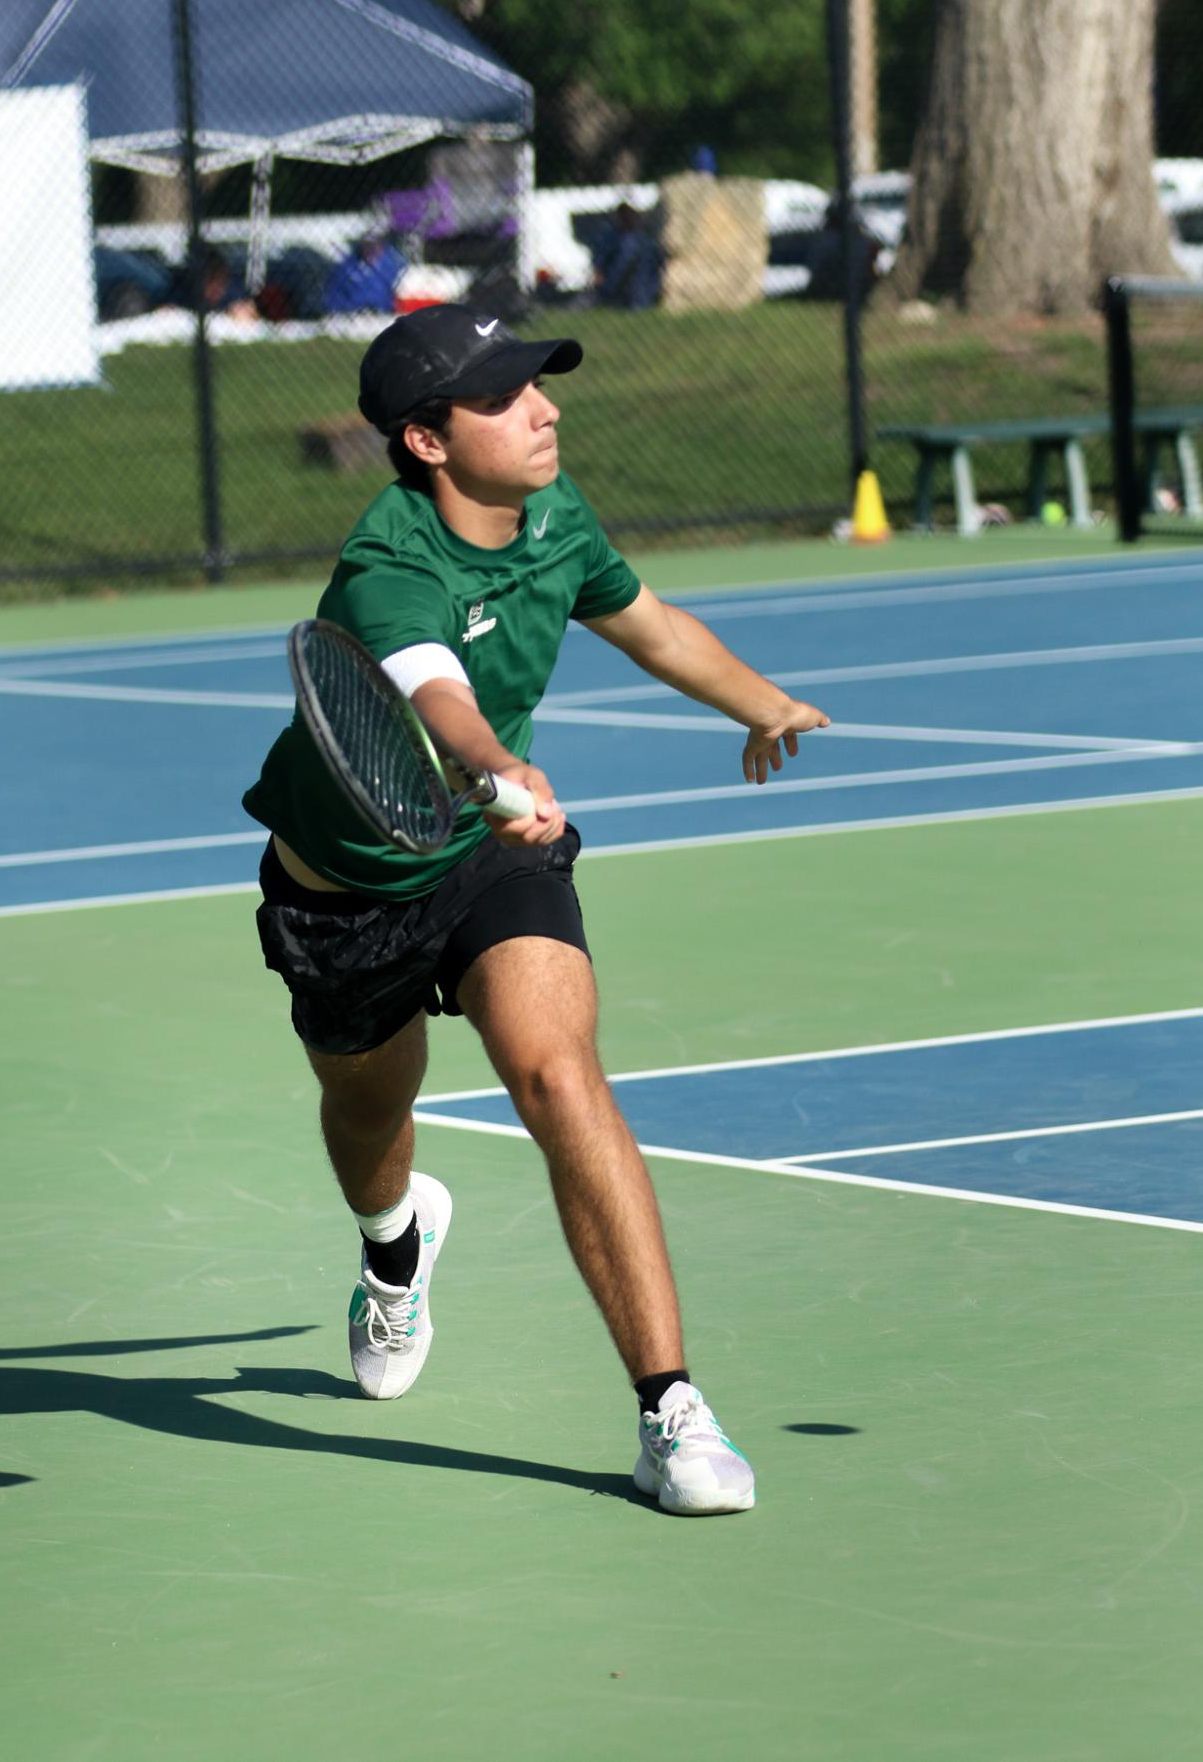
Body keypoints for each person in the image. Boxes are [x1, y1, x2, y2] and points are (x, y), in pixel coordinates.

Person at [242, 304, 829, 1516]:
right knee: (365, 1115)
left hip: (490, 856)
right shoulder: (386, 567)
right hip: (347, 890)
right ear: (426, 441)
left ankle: (670, 1412)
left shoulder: (556, 518)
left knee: (559, 1076)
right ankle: (394, 1244)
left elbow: (649, 623)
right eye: (505, 397)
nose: (545, 407)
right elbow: (439, 700)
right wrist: (493, 770)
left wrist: (760, 703)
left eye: (539, 386)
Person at [591, 202, 663, 310]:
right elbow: (600, 263)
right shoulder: (611, 237)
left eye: (630, 214)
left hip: (640, 287)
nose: (627, 217)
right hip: (617, 285)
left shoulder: (645, 240)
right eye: (623, 214)